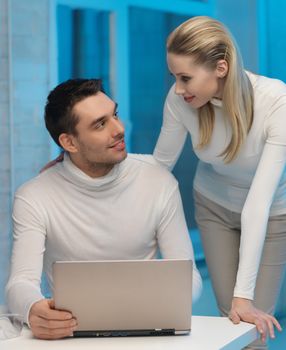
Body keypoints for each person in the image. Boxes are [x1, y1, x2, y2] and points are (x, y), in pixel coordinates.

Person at [5, 78, 202, 340]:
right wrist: (34, 310)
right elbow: (20, 283)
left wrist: (151, 305)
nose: (119, 129)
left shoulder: (158, 181)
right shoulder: (34, 196)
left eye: (115, 115)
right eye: (100, 124)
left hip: (148, 334)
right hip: (72, 335)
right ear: (70, 143)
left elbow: (189, 278)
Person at [153, 16, 286, 349]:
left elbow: (259, 203)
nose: (178, 88)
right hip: (213, 204)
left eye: (185, 78)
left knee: (253, 325)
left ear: (221, 68)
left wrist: (245, 296)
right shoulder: (180, 100)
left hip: (272, 215)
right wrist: (81, 160)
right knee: (231, 318)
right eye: (174, 77)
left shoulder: (276, 102)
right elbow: (159, 167)